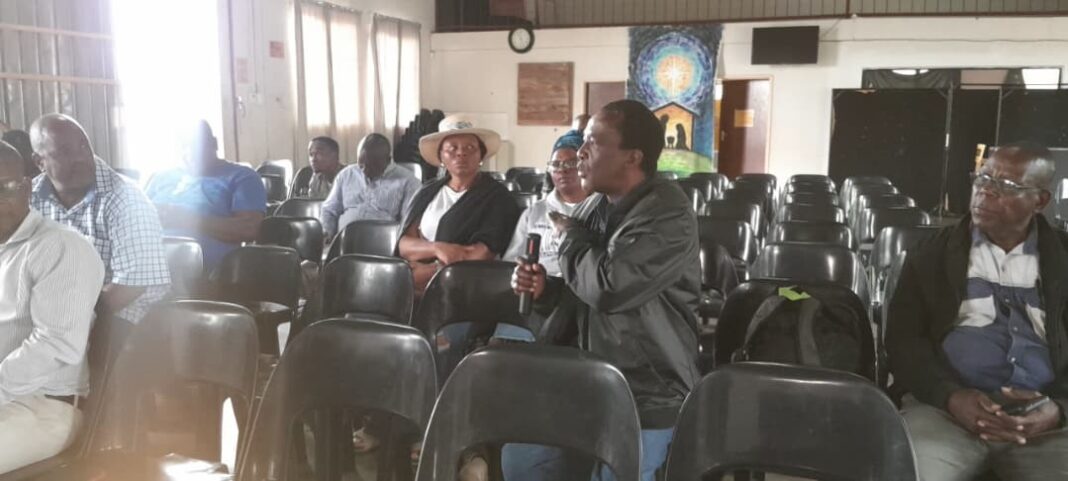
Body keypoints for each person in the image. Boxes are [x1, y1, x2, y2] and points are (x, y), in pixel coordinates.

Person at [510, 100, 701, 481]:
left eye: (593, 143)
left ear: (633, 157)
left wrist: (571, 238)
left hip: (648, 388)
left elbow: (610, 288)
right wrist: (547, 290)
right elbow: (585, 289)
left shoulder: (668, 213)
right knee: (524, 461)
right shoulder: (598, 205)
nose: (579, 153)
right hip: (589, 375)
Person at [887, 141, 1068, 481]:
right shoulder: (930, 254)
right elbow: (903, 341)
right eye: (982, 180)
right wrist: (950, 396)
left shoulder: (1063, 259)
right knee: (909, 473)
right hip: (943, 411)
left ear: (1040, 200)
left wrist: (1058, 410)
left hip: (1046, 421)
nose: (986, 193)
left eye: (1006, 186)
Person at [0, 141, 105, 473]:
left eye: (4, 187)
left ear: (28, 187)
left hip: (43, 407)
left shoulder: (60, 248)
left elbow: (55, 345)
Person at [29, 114, 170, 326]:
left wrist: (63, 320)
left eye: (84, 146)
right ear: (40, 162)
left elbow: (130, 287)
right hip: (50, 315)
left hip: (122, 319)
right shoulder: (28, 198)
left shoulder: (125, 198)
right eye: (66, 151)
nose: (80, 157)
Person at [398, 115, 521, 293]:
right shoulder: (427, 192)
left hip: (469, 288)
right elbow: (405, 245)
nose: (461, 153)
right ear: (441, 156)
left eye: (470, 147)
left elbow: (480, 254)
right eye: (452, 148)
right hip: (417, 287)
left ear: (481, 155)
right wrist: (438, 248)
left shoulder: (498, 198)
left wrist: (432, 271)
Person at [145, 120, 267, 271]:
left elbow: (248, 228)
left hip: (202, 272)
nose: (189, 153)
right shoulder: (160, 177)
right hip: (143, 261)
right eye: (184, 146)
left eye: (196, 146)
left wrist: (189, 220)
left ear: (214, 144)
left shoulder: (242, 177)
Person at [504, 129, 590, 277]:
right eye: (556, 164)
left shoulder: (600, 209)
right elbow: (512, 260)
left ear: (585, 165)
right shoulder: (534, 212)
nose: (562, 170)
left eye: (571, 163)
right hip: (539, 287)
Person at [320, 133, 421, 241]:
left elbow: (409, 223)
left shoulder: (409, 182)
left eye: (372, 166)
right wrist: (327, 232)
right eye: (361, 165)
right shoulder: (346, 174)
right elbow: (329, 210)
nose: (364, 171)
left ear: (388, 160)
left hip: (382, 244)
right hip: (343, 242)